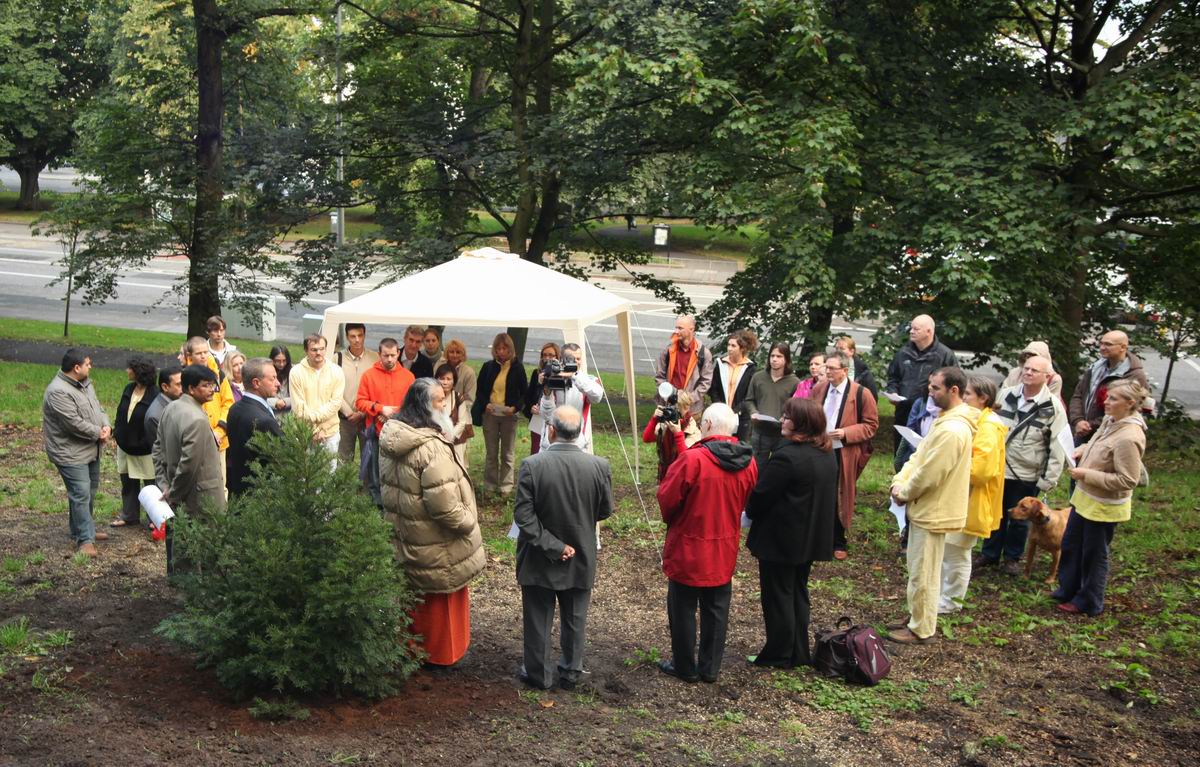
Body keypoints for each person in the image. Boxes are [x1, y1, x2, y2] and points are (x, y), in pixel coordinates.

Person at [380, 378, 486, 667]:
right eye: (440, 400)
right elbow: (444, 507)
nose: (445, 405)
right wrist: (469, 523)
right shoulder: (432, 447)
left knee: (415, 601)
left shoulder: (393, 435)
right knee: (442, 605)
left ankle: (411, 651)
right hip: (437, 544)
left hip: (407, 537)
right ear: (426, 407)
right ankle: (442, 656)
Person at [513, 406, 613, 690]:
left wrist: (554, 546)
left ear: (552, 430)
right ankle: (571, 672)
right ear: (580, 432)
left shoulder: (532, 465)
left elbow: (524, 516)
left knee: (538, 618)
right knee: (575, 618)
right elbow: (604, 510)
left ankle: (539, 674)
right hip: (581, 553)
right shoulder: (599, 466)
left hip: (538, 554)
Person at [656, 404, 758, 684]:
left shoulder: (693, 460)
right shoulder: (749, 462)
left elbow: (667, 499)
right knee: (717, 609)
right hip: (724, 545)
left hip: (690, 544)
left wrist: (673, 519)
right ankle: (710, 668)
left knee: (683, 608)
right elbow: (748, 499)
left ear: (709, 424)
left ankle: (685, 666)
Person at [744, 397, 838, 668]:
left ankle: (778, 652)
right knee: (797, 592)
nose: (782, 420)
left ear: (802, 424)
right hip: (809, 537)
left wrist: (749, 512)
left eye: (787, 417)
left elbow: (761, 495)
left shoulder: (787, 457)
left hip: (782, 538)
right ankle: (797, 651)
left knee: (778, 596)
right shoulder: (825, 453)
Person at [888, 367, 977, 644]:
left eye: (936, 387)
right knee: (919, 568)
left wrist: (905, 492)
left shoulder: (953, 429)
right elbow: (919, 457)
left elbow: (930, 473)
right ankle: (918, 615)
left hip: (933, 510)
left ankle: (921, 628)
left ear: (954, 390)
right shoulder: (945, 420)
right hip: (926, 507)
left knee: (924, 572)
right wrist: (899, 480)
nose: (930, 391)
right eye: (930, 385)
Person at [1054, 380, 1148, 616]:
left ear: (1130, 403)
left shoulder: (1130, 436)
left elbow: (1127, 480)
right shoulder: (1111, 421)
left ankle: (1088, 601)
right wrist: (1083, 450)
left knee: (1093, 554)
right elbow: (1099, 444)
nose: (1105, 402)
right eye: (1107, 397)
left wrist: (1087, 473)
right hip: (1085, 497)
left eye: (1113, 399)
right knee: (1072, 545)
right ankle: (1068, 589)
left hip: (1104, 505)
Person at [980, 354, 1069, 574]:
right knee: (995, 513)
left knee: (1021, 519)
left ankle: (1012, 558)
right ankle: (989, 553)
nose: (1027, 373)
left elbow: (1058, 445)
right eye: (1026, 369)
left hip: (1027, 472)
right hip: (999, 468)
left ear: (1047, 377)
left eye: (1034, 371)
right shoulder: (1006, 394)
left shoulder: (1053, 407)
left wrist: (1049, 479)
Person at [939, 377, 1006, 614]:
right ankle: (943, 596)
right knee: (949, 548)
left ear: (983, 398)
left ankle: (952, 601)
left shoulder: (989, 427)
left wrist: (949, 462)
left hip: (971, 500)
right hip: (960, 497)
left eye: (967, 394)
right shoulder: (977, 420)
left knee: (957, 551)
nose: (963, 398)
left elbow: (981, 471)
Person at [153, 364, 227, 575]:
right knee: (207, 548)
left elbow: (158, 450)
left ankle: (181, 586)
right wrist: (173, 493)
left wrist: (164, 484)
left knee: (182, 543)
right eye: (206, 385)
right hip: (201, 498)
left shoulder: (171, 408)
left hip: (177, 491)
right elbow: (188, 466)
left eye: (213, 385)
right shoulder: (196, 419)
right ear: (191, 389)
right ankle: (204, 595)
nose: (212, 389)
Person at [807, 350, 878, 560]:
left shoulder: (860, 393)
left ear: (845, 371)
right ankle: (816, 537)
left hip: (842, 451)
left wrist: (846, 433)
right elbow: (811, 413)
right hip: (818, 448)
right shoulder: (819, 388)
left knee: (838, 495)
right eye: (825, 367)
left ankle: (838, 540)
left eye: (831, 368)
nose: (826, 372)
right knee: (816, 492)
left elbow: (871, 425)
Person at [42, 349, 111, 557]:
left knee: (88, 492)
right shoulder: (58, 391)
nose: (91, 367)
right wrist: (98, 433)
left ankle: (83, 529)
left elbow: (98, 409)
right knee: (80, 494)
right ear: (76, 368)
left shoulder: (85, 383)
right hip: (69, 453)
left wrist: (106, 425)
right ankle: (85, 541)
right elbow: (73, 423)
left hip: (90, 448)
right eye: (88, 364)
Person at [885, 314, 958, 457]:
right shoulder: (902, 353)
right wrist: (892, 392)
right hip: (903, 411)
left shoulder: (945, 355)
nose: (911, 331)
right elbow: (893, 377)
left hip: (930, 413)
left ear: (929, 331)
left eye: (916, 329)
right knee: (901, 453)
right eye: (911, 328)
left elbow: (955, 383)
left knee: (925, 454)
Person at [356, 338, 416, 506]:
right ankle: (378, 508)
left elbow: (412, 405)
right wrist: (380, 408)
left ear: (398, 354)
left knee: (398, 471)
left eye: (392, 355)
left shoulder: (409, 377)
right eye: (385, 355)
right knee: (375, 473)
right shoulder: (368, 375)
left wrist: (392, 412)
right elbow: (360, 402)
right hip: (375, 431)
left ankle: (397, 506)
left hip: (399, 433)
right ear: (379, 355)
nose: (389, 359)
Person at [1069, 330, 1149, 446]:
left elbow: (1133, 409)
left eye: (1108, 344)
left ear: (1123, 347)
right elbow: (1078, 395)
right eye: (1101, 343)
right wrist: (1078, 420)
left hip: (1109, 435)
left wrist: (1090, 425)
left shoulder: (1134, 376)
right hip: (1082, 432)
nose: (1102, 347)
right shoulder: (1095, 367)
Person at [471, 332, 527, 496]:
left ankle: (506, 486)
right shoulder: (488, 366)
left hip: (509, 415)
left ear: (510, 349)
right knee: (491, 453)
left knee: (507, 453)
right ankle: (489, 485)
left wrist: (515, 408)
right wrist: (485, 404)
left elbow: (524, 393)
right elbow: (480, 391)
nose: (501, 352)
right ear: (494, 350)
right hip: (491, 414)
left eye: (505, 348)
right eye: (498, 348)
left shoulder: (518, 367)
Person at [226, 357, 283, 497]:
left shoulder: (234, 408)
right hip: (263, 497)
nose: (278, 383)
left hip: (240, 490)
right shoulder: (264, 421)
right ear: (256, 383)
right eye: (272, 379)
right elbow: (284, 457)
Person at [112, 356, 159, 528]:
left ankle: (155, 519)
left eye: (130, 368)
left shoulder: (155, 394)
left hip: (144, 448)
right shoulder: (129, 388)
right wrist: (116, 432)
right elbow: (121, 411)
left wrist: (144, 442)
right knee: (128, 481)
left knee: (151, 484)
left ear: (139, 371)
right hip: (125, 445)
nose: (127, 371)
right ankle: (129, 515)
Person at [185, 336, 235, 488]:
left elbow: (228, 403)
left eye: (206, 352)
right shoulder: (184, 377)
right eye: (199, 353)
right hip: (197, 438)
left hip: (219, 439)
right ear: (190, 356)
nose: (203, 356)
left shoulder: (219, 375)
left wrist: (220, 430)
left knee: (221, 483)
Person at [536, 343, 605, 453]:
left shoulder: (588, 380)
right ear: (561, 359)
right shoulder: (552, 377)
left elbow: (597, 396)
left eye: (578, 358)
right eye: (571, 358)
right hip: (551, 444)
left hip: (577, 444)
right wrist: (546, 391)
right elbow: (547, 416)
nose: (575, 362)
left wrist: (574, 375)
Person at [743, 343, 800, 468]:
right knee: (757, 468)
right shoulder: (758, 377)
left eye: (779, 356)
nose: (774, 359)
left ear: (786, 360)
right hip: (760, 432)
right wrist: (753, 412)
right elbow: (749, 400)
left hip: (782, 434)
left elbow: (796, 408)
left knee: (780, 468)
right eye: (772, 356)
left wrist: (786, 417)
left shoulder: (794, 382)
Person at [289, 334, 345, 457]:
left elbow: (335, 403)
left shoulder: (337, 371)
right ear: (306, 351)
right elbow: (299, 406)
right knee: (304, 475)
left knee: (329, 473)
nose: (318, 353)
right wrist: (313, 430)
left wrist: (317, 422)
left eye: (322, 349)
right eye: (314, 350)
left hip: (330, 433)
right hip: (304, 433)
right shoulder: (296, 372)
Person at [335, 323, 379, 470]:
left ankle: (367, 491)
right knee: (343, 459)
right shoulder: (337, 359)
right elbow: (333, 390)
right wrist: (349, 413)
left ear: (364, 335)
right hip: (344, 419)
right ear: (347, 337)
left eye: (360, 335)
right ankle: (343, 491)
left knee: (369, 459)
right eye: (353, 336)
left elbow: (377, 388)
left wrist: (363, 413)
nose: (357, 340)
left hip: (367, 417)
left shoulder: (375, 358)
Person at [654, 315, 713, 418]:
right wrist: (669, 395)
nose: (676, 331)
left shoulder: (703, 353)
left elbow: (706, 382)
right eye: (676, 327)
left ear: (691, 329)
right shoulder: (668, 350)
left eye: (680, 328)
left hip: (692, 410)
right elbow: (659, 377)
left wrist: (689, 398)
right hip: (668, 406)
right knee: (665, 434)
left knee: (689, 434)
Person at [642, 389, 703, 480]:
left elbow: (686, 459)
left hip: (683, 477)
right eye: (671, 408)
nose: (673, 411)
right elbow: (647, 438)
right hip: (666, 474)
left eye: (677, 409)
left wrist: (678, 434)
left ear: (687, 408)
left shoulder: (693, 430)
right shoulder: (666, 423)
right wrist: (654, 419)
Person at [709, 330, 758, 441]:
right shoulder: (721, 364)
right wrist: (721, 408)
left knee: (738, 449)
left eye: (733, 346)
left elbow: (749, 395)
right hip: (720, 415)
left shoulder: (750, 368)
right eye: (728, 344)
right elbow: (714, 389)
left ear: (742, 348)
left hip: (741, 418)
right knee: (719, 447)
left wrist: (735, 411)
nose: (729, 348)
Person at [524, 343, 559, 455]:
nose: (547, 358)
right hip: (538, 418)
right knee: (536, 450)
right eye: (544, 355)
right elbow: (529, 396)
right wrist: (531, 407)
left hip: (555, 418)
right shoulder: (537, 373)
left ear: (557, 357)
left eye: (551, 355)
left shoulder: (562, 374)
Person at [436, 363, 473, 466]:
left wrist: (450, 436)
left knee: (456, 469)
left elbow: (462, 422)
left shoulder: (458, 397)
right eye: (442, 378)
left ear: (454, 381)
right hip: (436, 441)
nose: (445, 382)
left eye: (449, 379)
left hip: (456, 441)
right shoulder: (431, 397)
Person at [144, 365, 183, 449]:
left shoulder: (179, 401)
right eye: (179, 385)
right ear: (165, 387)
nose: (183, 388)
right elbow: (164, 451)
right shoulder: (155, 416)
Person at [834, 336, 879, 400]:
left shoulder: (863, 372)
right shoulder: (830, 368)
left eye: (842, 349)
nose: (838, 352)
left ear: (851, 351)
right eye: (836, 349)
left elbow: (872, 398)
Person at [445, 339, 476, 410]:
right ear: (447, 353)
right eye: (451, 352)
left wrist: (455, 409)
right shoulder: (440, 367)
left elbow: (470, 398)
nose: (454, 355)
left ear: (463, 354)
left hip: (461, 412)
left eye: (458, 352)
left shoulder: (469, 372)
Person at [267, 345, 293, 416]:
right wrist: (275, 403)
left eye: (284, 361)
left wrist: (285, 402)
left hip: (290, 415)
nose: (281, 364)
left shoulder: (294, 372)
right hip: (272, 414)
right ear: (272, 360)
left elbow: (299, 396)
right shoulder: (266, 372)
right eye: (278, 361)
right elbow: (260, 396)